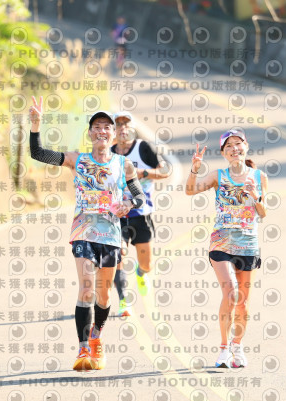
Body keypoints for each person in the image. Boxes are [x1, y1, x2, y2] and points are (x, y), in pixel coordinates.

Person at [28, 96, 146, 371]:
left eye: (107, 127)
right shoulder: (76, 160)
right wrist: (35, 126)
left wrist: (129, 204)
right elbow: (39, 154)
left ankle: (95, 337)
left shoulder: (124, 165)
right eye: (97, 127)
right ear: (90, 133)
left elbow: (139, 196)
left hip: (111, 236)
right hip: (83, 232)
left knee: (104, 297)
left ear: (113, 134)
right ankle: (82, 348)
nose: (102, 131)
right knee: (86, 288)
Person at [184, 129, 268, 368]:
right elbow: (190, 190)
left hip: (248, 243)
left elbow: (263, 213)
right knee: (231, 292)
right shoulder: (217, 176)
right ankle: (223, 349)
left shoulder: (259, 177)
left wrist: (255, 196)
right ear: (223, 153)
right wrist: (195, 169)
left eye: (238, 144)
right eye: (228, 146)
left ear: (246, 147)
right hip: (221, 241)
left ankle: (237, 346)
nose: (234, 149)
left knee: (243, 301)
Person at [110, 111, 171, 316]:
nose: (122, 128)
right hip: (118, 215)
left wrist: (142, 173)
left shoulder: (143, 148)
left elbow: (165, 171)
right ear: (113, 130)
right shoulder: (109, 153)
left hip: (141, 213)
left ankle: (141, 273)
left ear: (132, 128)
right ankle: (124, 300)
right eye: (118, 124)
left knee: (147, 264)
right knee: (118, 254)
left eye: (126, 124)